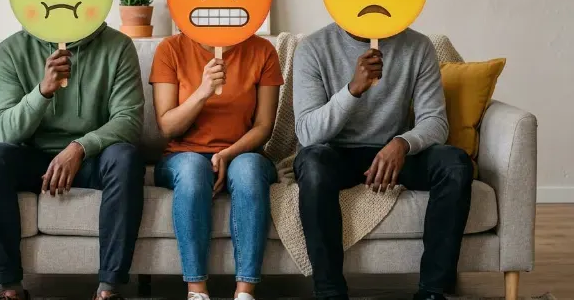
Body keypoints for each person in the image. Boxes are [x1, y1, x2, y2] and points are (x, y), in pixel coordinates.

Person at [292, 23, 473, 300]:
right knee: (312, 163)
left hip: (393, 153)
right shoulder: (313, 48)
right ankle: (329, 292)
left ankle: (433, 291)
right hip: (335, 154)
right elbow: (308, 133)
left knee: (455, 163)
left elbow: (435, 121)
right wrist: (353, 89)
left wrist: (402, 143)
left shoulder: (419, 46)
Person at [0, 22, 145, 300]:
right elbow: (4, 132)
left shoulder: (118, 46)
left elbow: (129, 120)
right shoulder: (12, 49)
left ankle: (108, 289)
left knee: (126, 157)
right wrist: (43, 90)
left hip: (93, 158)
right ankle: (10, 289)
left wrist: (80, 147)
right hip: (34, 159)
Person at [150, 33, 283, 300]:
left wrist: (227, 154)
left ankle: (245, 292)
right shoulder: (170, 49)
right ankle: (197, 291)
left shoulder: (263, 51)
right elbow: (167, 127)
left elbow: (264, 127)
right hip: (182, 155)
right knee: (192, 171)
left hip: (242, 153)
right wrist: (203, 91)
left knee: (248, 171)